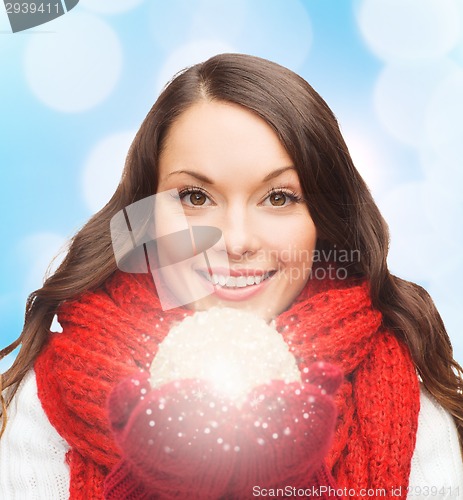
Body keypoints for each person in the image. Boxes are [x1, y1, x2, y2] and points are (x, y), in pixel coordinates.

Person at [1, 53, 462, 499]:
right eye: (195, 197)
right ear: (143, 216)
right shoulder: (42, 410)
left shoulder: (419, 417)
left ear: (325, 221)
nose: (236, 241)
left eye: (279, 198)